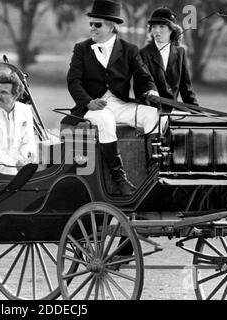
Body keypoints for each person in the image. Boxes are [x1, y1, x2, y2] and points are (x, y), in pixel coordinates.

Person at [63, 0, 160, 196]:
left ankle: (153, 172)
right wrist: (88, 101)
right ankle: (119, 179)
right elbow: (73, 82)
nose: (92, 28)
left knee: (151, 115)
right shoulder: (81, 49)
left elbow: (144, 77)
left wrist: (151, 91)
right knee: (106, 120)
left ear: (111, 26)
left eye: (97, 24)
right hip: (93, 107)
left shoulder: (130, 50)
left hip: (119, 104)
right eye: (91, 24)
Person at [139, 7, 198, 106]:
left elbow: (186, 87)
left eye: (162, 26)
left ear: (172, 29)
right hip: (150, 109)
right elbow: (142, 85)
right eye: (154, 27)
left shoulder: (180, 52)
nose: (157, 31)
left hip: (172, 110)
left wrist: (197, 110)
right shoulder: (143, 53)